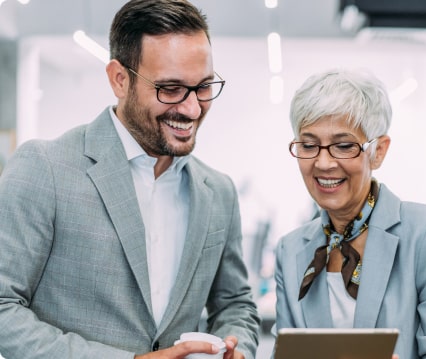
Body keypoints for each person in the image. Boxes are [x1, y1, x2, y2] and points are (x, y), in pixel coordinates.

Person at [0, 1, 260, 358]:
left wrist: (237, 346)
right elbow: (3, 308)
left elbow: (235, 304)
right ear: (119, 79)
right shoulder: (44, 168)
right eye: (170, 88)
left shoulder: (218, 192)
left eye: (203, 87)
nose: (192, 108)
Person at [273, 68, 426, 358]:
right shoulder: (291, 250)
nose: (323, 163)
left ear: (379, 151)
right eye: (309, 145)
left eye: (344, 146)